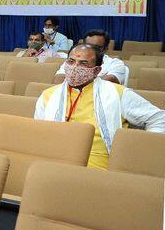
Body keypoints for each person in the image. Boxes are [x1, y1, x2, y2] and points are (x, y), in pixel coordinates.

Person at [34, 44, 165, 169]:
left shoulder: (116, 93)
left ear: (96, 70)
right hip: (57, 162)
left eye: (83, 63)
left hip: (100, 167)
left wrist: (140, 152)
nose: (74, 67)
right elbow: (39, 135)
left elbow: (159, 118)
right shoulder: (48, 96)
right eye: (71, 61)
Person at [54, 29, 128, 85]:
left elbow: (111, 81)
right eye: (87, 46)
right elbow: (58, 79)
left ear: (105, 49)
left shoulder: (115, 63)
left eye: (96, 47)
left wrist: (75, 82)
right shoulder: (73, 61)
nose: (90, 49)